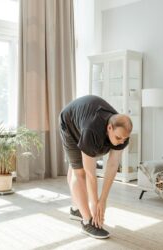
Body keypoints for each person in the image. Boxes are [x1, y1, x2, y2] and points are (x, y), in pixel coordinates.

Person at [59, 95, 132, 239]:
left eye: (124, 139)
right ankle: (87, 222)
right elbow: (90, 174)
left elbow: (112, 167)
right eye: (118, 138)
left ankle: (75, 209)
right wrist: (94, 205)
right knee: (79, 172)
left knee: (76, 167)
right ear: (109, 128)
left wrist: (103, 200)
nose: (121, 142)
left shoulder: (122, 133)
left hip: (84, 118)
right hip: (69, 122)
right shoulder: (92, 130)